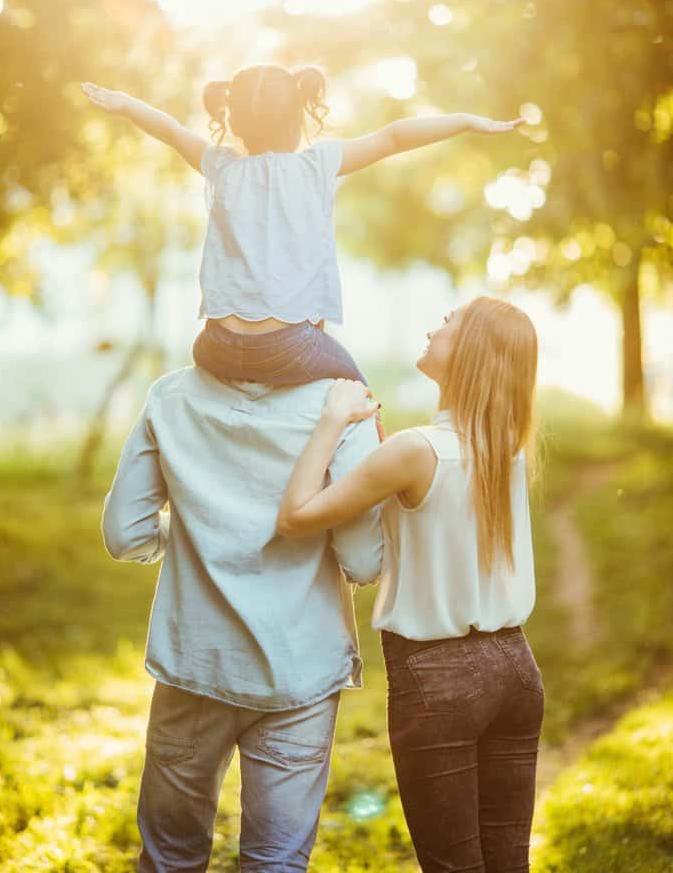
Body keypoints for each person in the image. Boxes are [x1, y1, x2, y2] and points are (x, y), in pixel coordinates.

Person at [277, 297, 543, 873]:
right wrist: (382, 444)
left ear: (469, 350)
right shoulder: (506, 450)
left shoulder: (414, 451)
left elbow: (296, 516)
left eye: (447, 322)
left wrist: (333, 421)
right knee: (507, 863)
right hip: (517, 669)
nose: (432, 326)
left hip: (437, 678)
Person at [82, 65, 522, 400]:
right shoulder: (318, 165)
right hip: (288, 350)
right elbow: (394, 137)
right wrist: (465, 119)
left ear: (233, 122)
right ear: (299, 113)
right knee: (360, 399)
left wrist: (127, 104)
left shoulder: (220, 165)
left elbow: (172, 131)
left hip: (213, 347)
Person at [102, 365, 384, 871]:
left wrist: (193, 538)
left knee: (170, 858)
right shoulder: (344, 406)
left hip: (194, 665)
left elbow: (126, 533)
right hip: (301, 671)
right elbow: (364, 560)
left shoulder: (170, 394)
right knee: (276, 861)